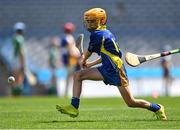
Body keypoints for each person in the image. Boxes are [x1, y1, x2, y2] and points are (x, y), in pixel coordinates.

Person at [56, 8, 167, 120]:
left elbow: (89, 52)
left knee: (131, 102)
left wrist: (84, 60)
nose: (90, 24)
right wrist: (90, 64)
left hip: (116, 70)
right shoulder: (106, 33)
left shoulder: (98, 34)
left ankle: (157, 108)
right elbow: (107, 54)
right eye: (88, 21)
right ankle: (74, 107)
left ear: (102, 21)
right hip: (107, 68)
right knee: (78, 75)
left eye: (93, 21)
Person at [60, 22, 81, 97]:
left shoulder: (64, 38)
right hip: (71, 60)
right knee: (74, 77)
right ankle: (71, 93)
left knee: (69, 78)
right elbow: (71, 51)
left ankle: (66, 93)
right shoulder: (69, 38)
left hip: (67, 60)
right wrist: (79, 56)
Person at [10, 22, 27, 96]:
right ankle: (18, 94)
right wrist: (23, 63)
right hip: (19, 59)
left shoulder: (14, 38)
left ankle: (13, 94)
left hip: (14, 58)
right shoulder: (20, 38)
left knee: (14, 77)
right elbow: (21, 51)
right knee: (20, 77)